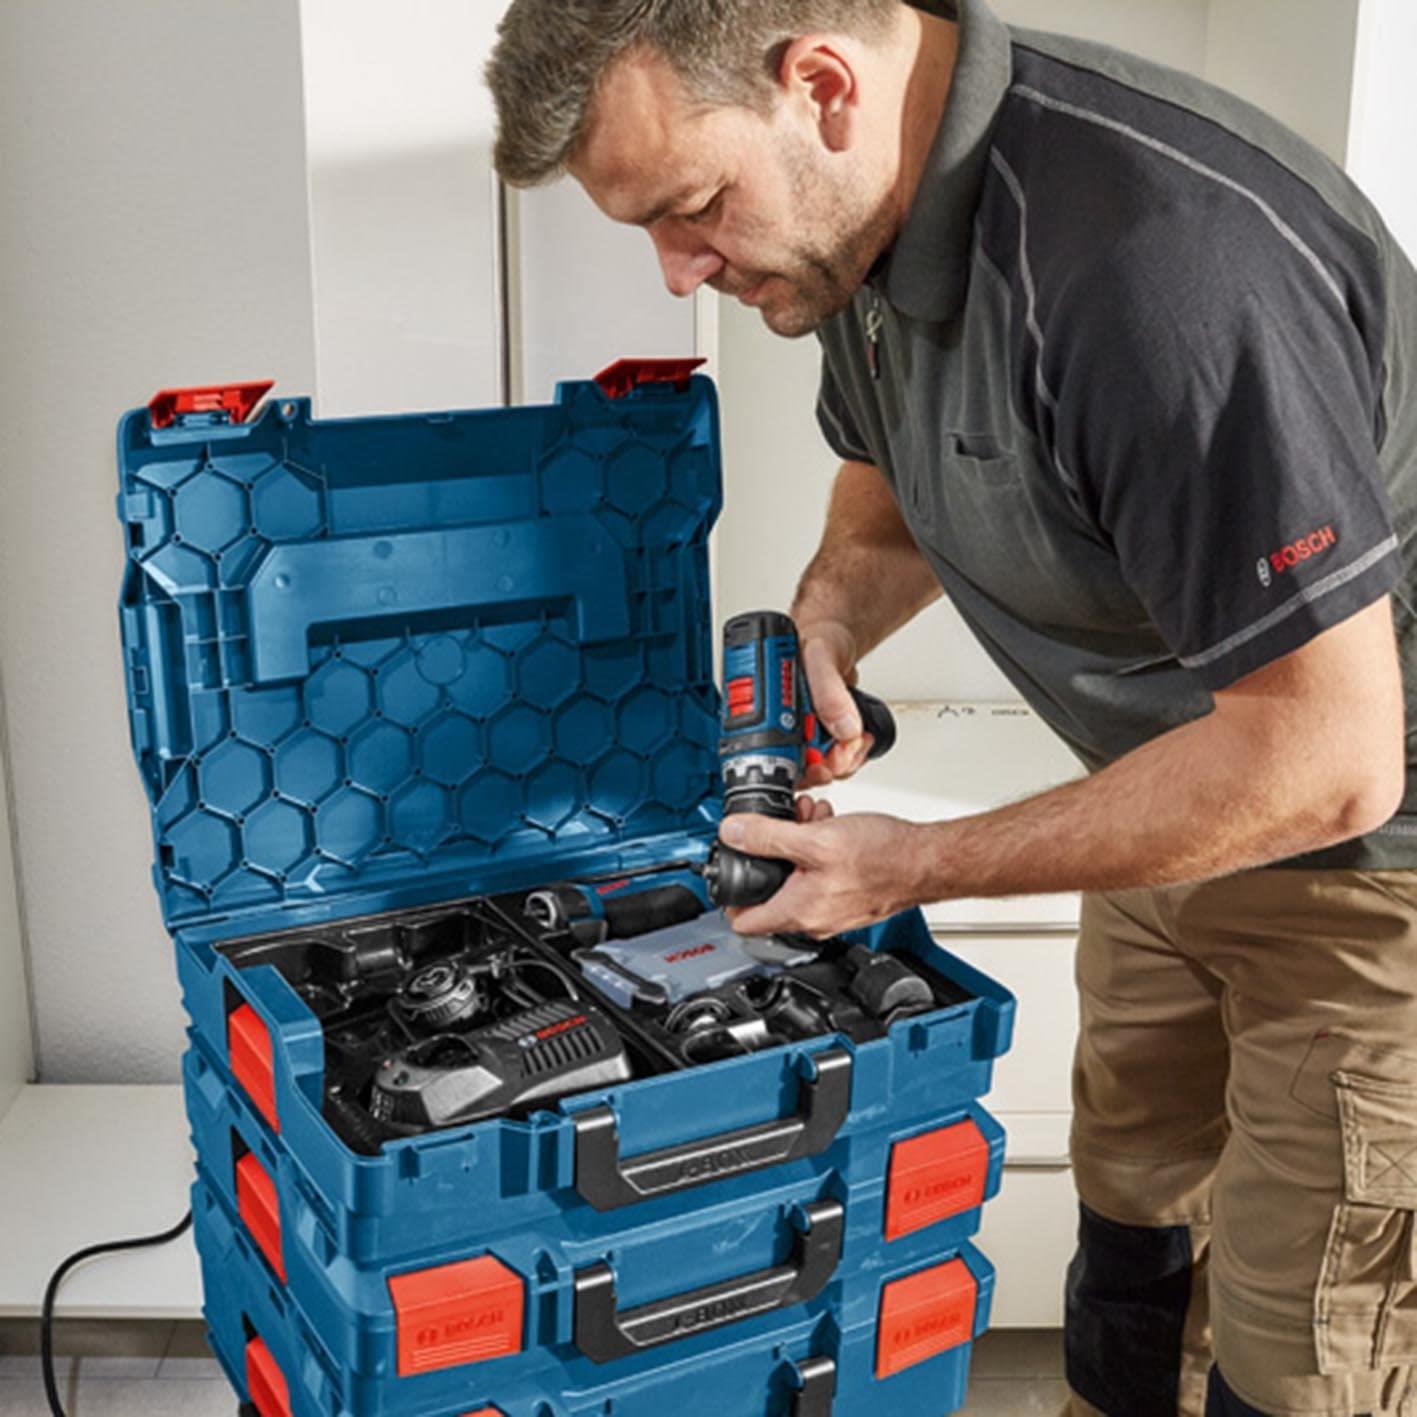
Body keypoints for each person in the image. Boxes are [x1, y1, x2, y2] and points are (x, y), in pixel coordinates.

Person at [487, 2, 1417, 1413]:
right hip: (1182, 787)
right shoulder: (858, 224)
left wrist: (913, 864)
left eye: (692, 206)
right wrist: (830, 617)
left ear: (820, 86)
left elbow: (1329, 757)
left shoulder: (1158, 274)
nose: (680, 270)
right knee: (1136, 1231)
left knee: (1303, 1354)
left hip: (1371, 866)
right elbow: (889, 486)